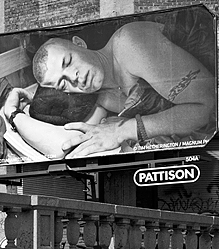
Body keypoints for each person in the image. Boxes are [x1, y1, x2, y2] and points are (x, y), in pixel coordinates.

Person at [28, 20, 215, 158]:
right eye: (63, 83)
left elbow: (209, 105)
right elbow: (61, 148)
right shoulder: (102, 99)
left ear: (79, 44)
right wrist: (13, 112)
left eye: (67, 62)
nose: (73, 77)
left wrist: (122, 131)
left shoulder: (128, 43)